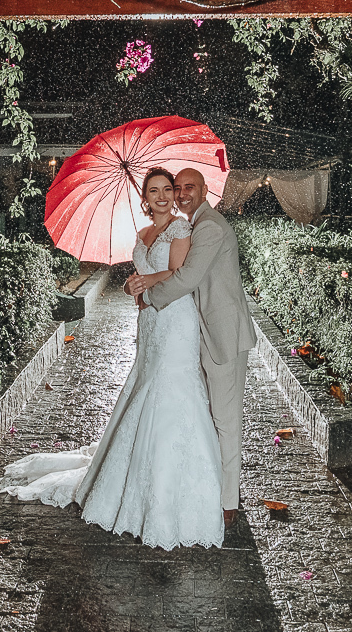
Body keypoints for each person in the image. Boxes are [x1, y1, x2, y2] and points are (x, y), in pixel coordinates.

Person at [0, 167, 225, 550]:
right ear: (145, 197)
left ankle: (180, 495)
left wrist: (145, 282)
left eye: (168, 189)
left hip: (176, 321)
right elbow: (143, 275)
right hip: (150, 322)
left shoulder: (181, 230)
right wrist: (131, 284)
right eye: (154, 191)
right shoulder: (141, 234)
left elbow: (178, 273)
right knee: (144, 385)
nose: (164, 196)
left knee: (173, 392)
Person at [124, 167, 257, 528]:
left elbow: (187, 277)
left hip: (224, 336)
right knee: (204, 412)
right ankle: (207, 483)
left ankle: (228, 502)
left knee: (226, 420)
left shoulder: (209, 226)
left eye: (188, 187)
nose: (181, 194)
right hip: (196, 330)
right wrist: (139, 284)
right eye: (176, 187)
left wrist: (148, 294)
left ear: (205, 189)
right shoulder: (194, 224)